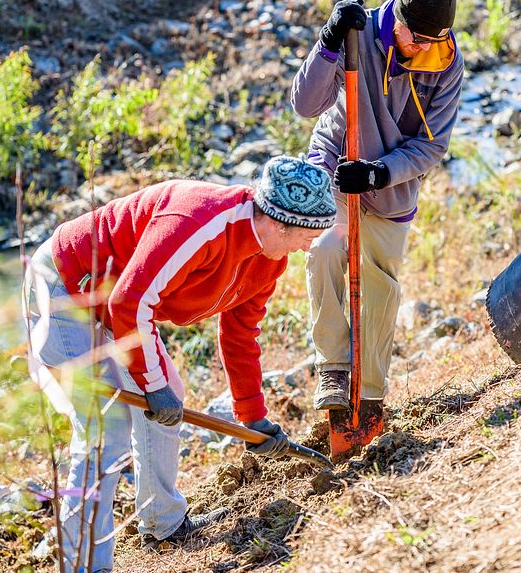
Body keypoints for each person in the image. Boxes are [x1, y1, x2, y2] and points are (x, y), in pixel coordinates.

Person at [25, 155, 337, 572]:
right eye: (308, 234)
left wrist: (253, 419)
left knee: (168, 394)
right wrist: (151, 385)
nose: (310, 244)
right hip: (65, 286)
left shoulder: (269, 259)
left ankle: (163, 524)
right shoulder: (199, 222)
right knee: (107, 428)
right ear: (280, 223)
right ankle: (83, 564)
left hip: (112, 303)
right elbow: (131, 302)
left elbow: (240, 335)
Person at [290, 0, 465, 410]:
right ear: (397, 18)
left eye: (433, 41)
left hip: (390, 182)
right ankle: (333, 369)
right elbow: (305, 105)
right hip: (335, 159)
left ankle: (368, 397)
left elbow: (432, 145)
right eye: (414, 39)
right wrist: (329, 41)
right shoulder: (358, 35)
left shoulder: (445, 62)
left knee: (379, 286)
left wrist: (378, 173)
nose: (422, 49)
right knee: (326, 249)